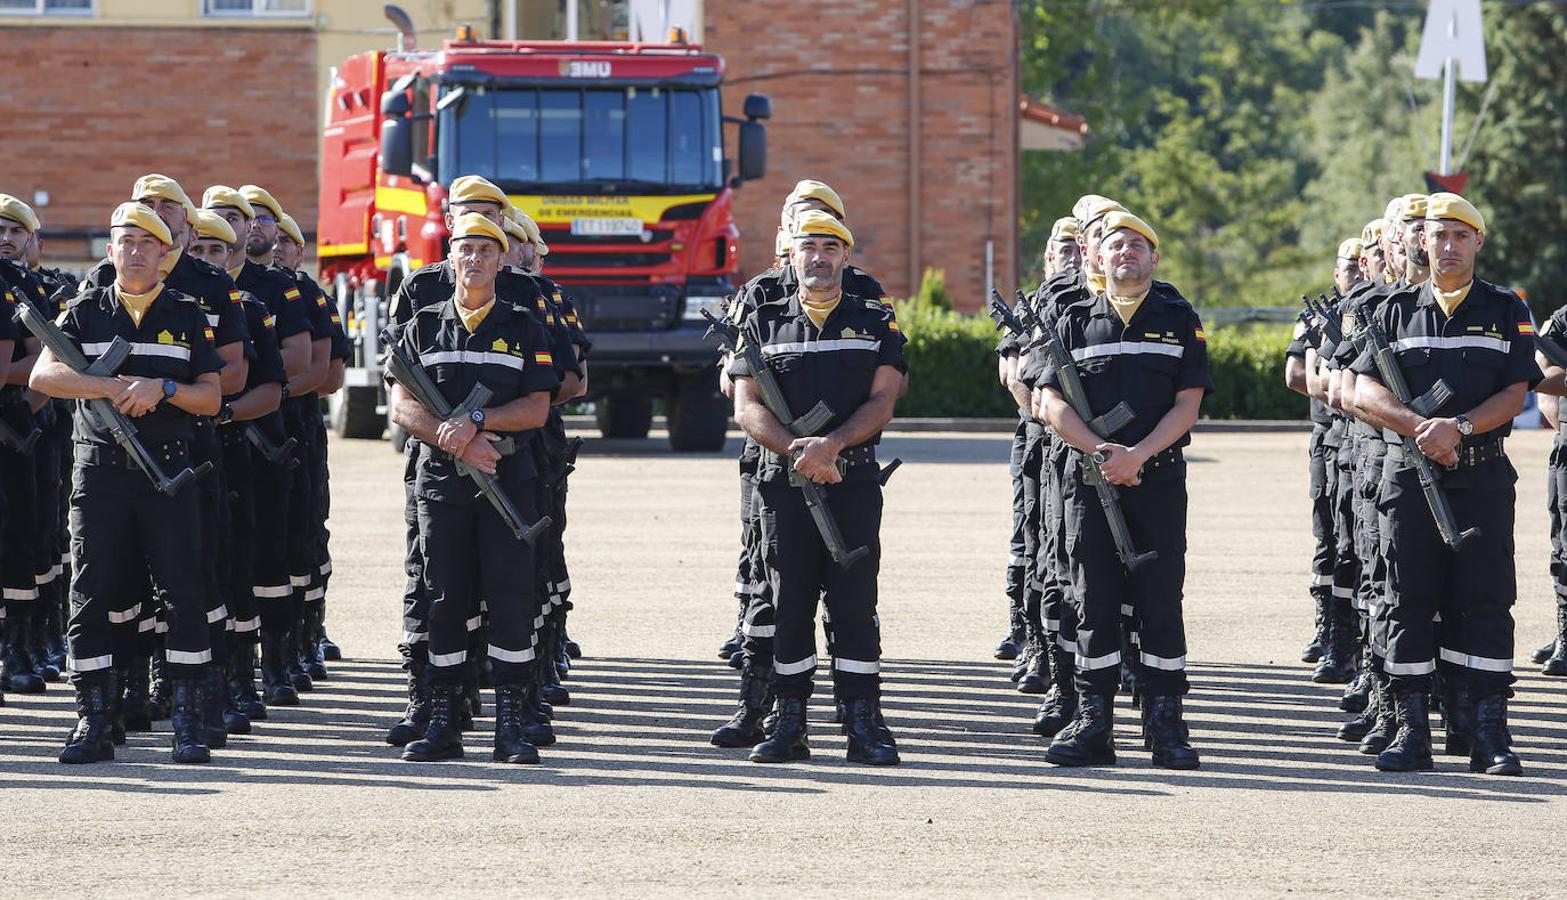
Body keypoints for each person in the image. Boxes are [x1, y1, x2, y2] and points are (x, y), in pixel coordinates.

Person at [1348, 192, 1537, 775]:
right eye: (1438, 235)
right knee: (1406, 598)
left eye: (1459, 236)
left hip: (1481, 473)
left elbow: (1516, 391)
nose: (1448, 246)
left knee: (1485, 600)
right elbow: (1363, 389)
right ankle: (1411, 730)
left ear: (1478, 242)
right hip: (1411, 475)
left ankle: (1487, 731)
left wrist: (1459, 427)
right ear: (1422, 243)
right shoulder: (1392, 310)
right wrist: (1419, 428)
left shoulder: (1506, 309)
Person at [33, 202, 224, 764]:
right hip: (101, 471)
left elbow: (211, 397)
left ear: (165, 253)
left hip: (167, 472)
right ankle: (94, 719)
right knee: (90, 593)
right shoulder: (84, 310)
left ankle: (188, 721)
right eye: (125, 241)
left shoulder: (185, 313)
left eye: (147, 242)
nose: (135, 251)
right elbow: (43, 375)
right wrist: (110, 386)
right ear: (111, 250)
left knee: (182, 593)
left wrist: (163, 388)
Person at [725, 210, 906, 766]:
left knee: (855, 603)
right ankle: (789, 720)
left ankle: (863, 721)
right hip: (784, 484)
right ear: (792, 253)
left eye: (831, 247)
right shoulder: (762, 317)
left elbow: (885, 397)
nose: (819, 257)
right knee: (789, 602)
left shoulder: (873, 318)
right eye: (810, 247)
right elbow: (745, 404)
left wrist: (833, 446)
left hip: (852, 480)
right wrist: (797, 450)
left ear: (846, 256)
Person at [1037, 211, 1211, 769]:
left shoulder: (1178, 316)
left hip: (1157, 481)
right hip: (1090, 482)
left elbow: (1188, 403)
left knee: (1160, 601)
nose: (1126, 253)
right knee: (1093, 600)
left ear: (1154, 258)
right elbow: (1048, 402)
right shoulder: (1070, 318)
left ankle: (1166, 725)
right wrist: (1100, 452)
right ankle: (1094, 723)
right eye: (1115, 245)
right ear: (1095, 256)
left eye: (1138, 245)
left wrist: (1139, 456)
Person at [387, 213, 559, 763]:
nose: (475, 259)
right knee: (443, 596)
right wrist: (457, 441)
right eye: (466, 248)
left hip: (509, 480)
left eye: (487, 249)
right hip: (443, 482)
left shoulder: (524, 326)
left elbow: (537, 406)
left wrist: (478, 422)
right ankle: (443, 721)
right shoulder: (423, 325)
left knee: (511, 596)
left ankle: (511, 724)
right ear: (450, 256)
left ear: (502, 259)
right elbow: (401, 405)